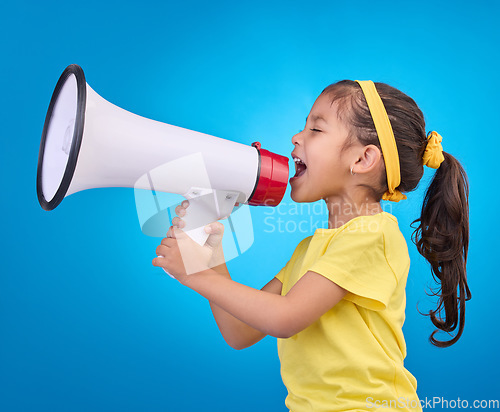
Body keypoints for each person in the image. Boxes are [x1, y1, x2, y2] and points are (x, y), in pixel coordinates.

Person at [152, 80, 470, 412]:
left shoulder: (373, 234)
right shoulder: (309, 249)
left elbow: (284, 318)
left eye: (316, 129)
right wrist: (210, 255)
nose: (296, 137)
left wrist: (196, 275)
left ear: (363, 159)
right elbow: (240, 331)